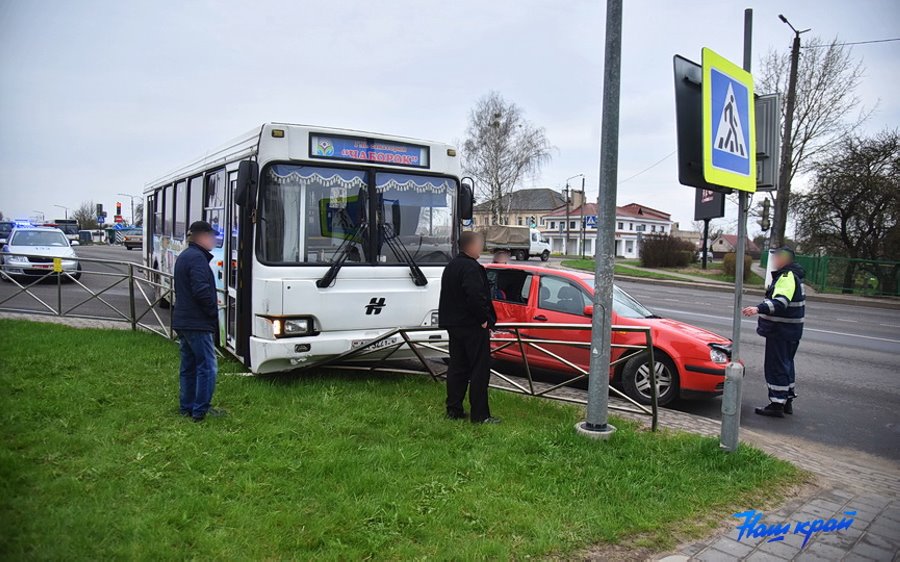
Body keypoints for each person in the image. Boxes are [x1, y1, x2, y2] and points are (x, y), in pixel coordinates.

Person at [439, 231, 499, 423]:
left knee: (457, 367)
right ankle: (480, 416)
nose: (481, 248)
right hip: (472, 326)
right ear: (471, 246)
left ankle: (454, 409)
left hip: (453, 324)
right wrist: (483, 318)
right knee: (480, 370)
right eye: (480, 244)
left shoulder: (451, 266)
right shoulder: (471, 268)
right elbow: (475, 295)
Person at [742, 247, 806, 418]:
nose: (775, 260)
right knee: (786, 364)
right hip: (790, 331)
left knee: (776, 366)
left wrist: (757, 308)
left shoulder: (786, 277)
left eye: (777, 257)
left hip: (781, 331)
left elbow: (780, 302)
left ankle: (777, 403)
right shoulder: (795, 276)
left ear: (784, 260)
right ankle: (787, 400)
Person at [173, 221, 223, 422]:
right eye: (211, 236)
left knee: (189, 365)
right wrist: (212, 310)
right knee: (207, 367)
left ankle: (187, 407)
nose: (214, 240)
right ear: (201, 237)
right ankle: (200, 410)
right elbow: (201, 290)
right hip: (197, 322)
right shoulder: (197, 259)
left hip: (184, 320)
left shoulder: (186, 256)